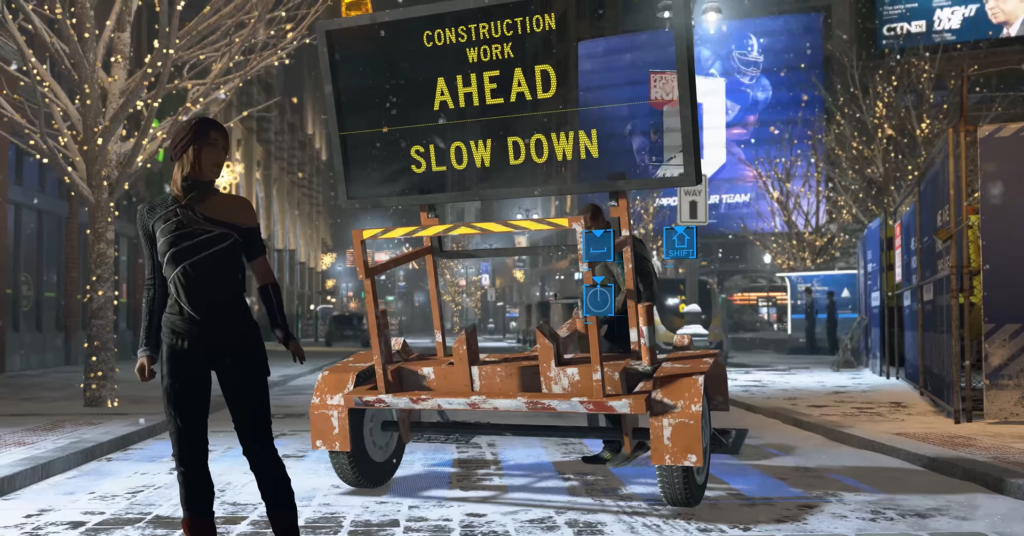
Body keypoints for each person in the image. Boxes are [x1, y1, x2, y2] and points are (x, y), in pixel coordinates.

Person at [134, 117, 305, 536]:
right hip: (179, 340)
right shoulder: (151, 214)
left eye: (225, 148)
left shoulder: (239, 208)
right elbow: (155, 284)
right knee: (189, 455)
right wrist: (146, 348)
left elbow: (264, 274)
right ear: (186, 149)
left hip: (236, 337)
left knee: (259, 447)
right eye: (213, 145)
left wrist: (281, 328)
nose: (221, 156)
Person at [578, 203, 658, 467]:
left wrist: (625, 315)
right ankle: (619, 442)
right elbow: (600, 283)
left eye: (589, 226)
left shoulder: (623, 244)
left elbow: (643, 285)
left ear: (601, 221)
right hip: (617, 321)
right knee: (603, 380)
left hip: (627, 323)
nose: (587, 232)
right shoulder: (601, 247)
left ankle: (622, 443)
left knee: (605, 378)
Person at [804, 286, 818, 354]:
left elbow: (808, 311)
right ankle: (811, 349)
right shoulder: (812, 300)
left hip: (810, 319)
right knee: (811, 334)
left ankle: (810, 349)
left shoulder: (809, 300)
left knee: (809, 334)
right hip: (812, 319)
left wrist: (808, 319)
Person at [826, 290, 839, 355]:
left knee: (831, 335)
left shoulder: (831, 304)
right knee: (833, 335)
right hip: (833, 321)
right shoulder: (832, 303)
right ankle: (834, 348)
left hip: (832, 321)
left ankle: (832, 349)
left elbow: (831, 314)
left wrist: (829, 322)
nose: (827, 296)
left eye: (828, 295)